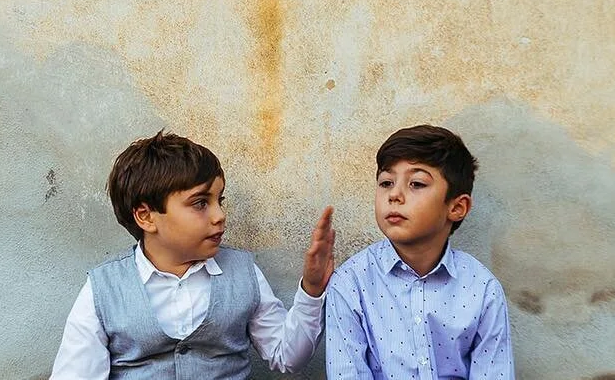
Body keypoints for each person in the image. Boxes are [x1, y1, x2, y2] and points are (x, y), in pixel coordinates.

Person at [51, 130, 335, 379]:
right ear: (146, 216)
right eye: (200, 203)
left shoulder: (242, 272)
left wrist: (311, 290)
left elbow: (288, 357)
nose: (219, 216)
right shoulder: (104, 290)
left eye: (219, 200)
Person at [325, 124, 514, 379]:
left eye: (416, 183)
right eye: (386, 182)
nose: (394, 194)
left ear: (457, 207)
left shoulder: (481, 289)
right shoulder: (350, 284)